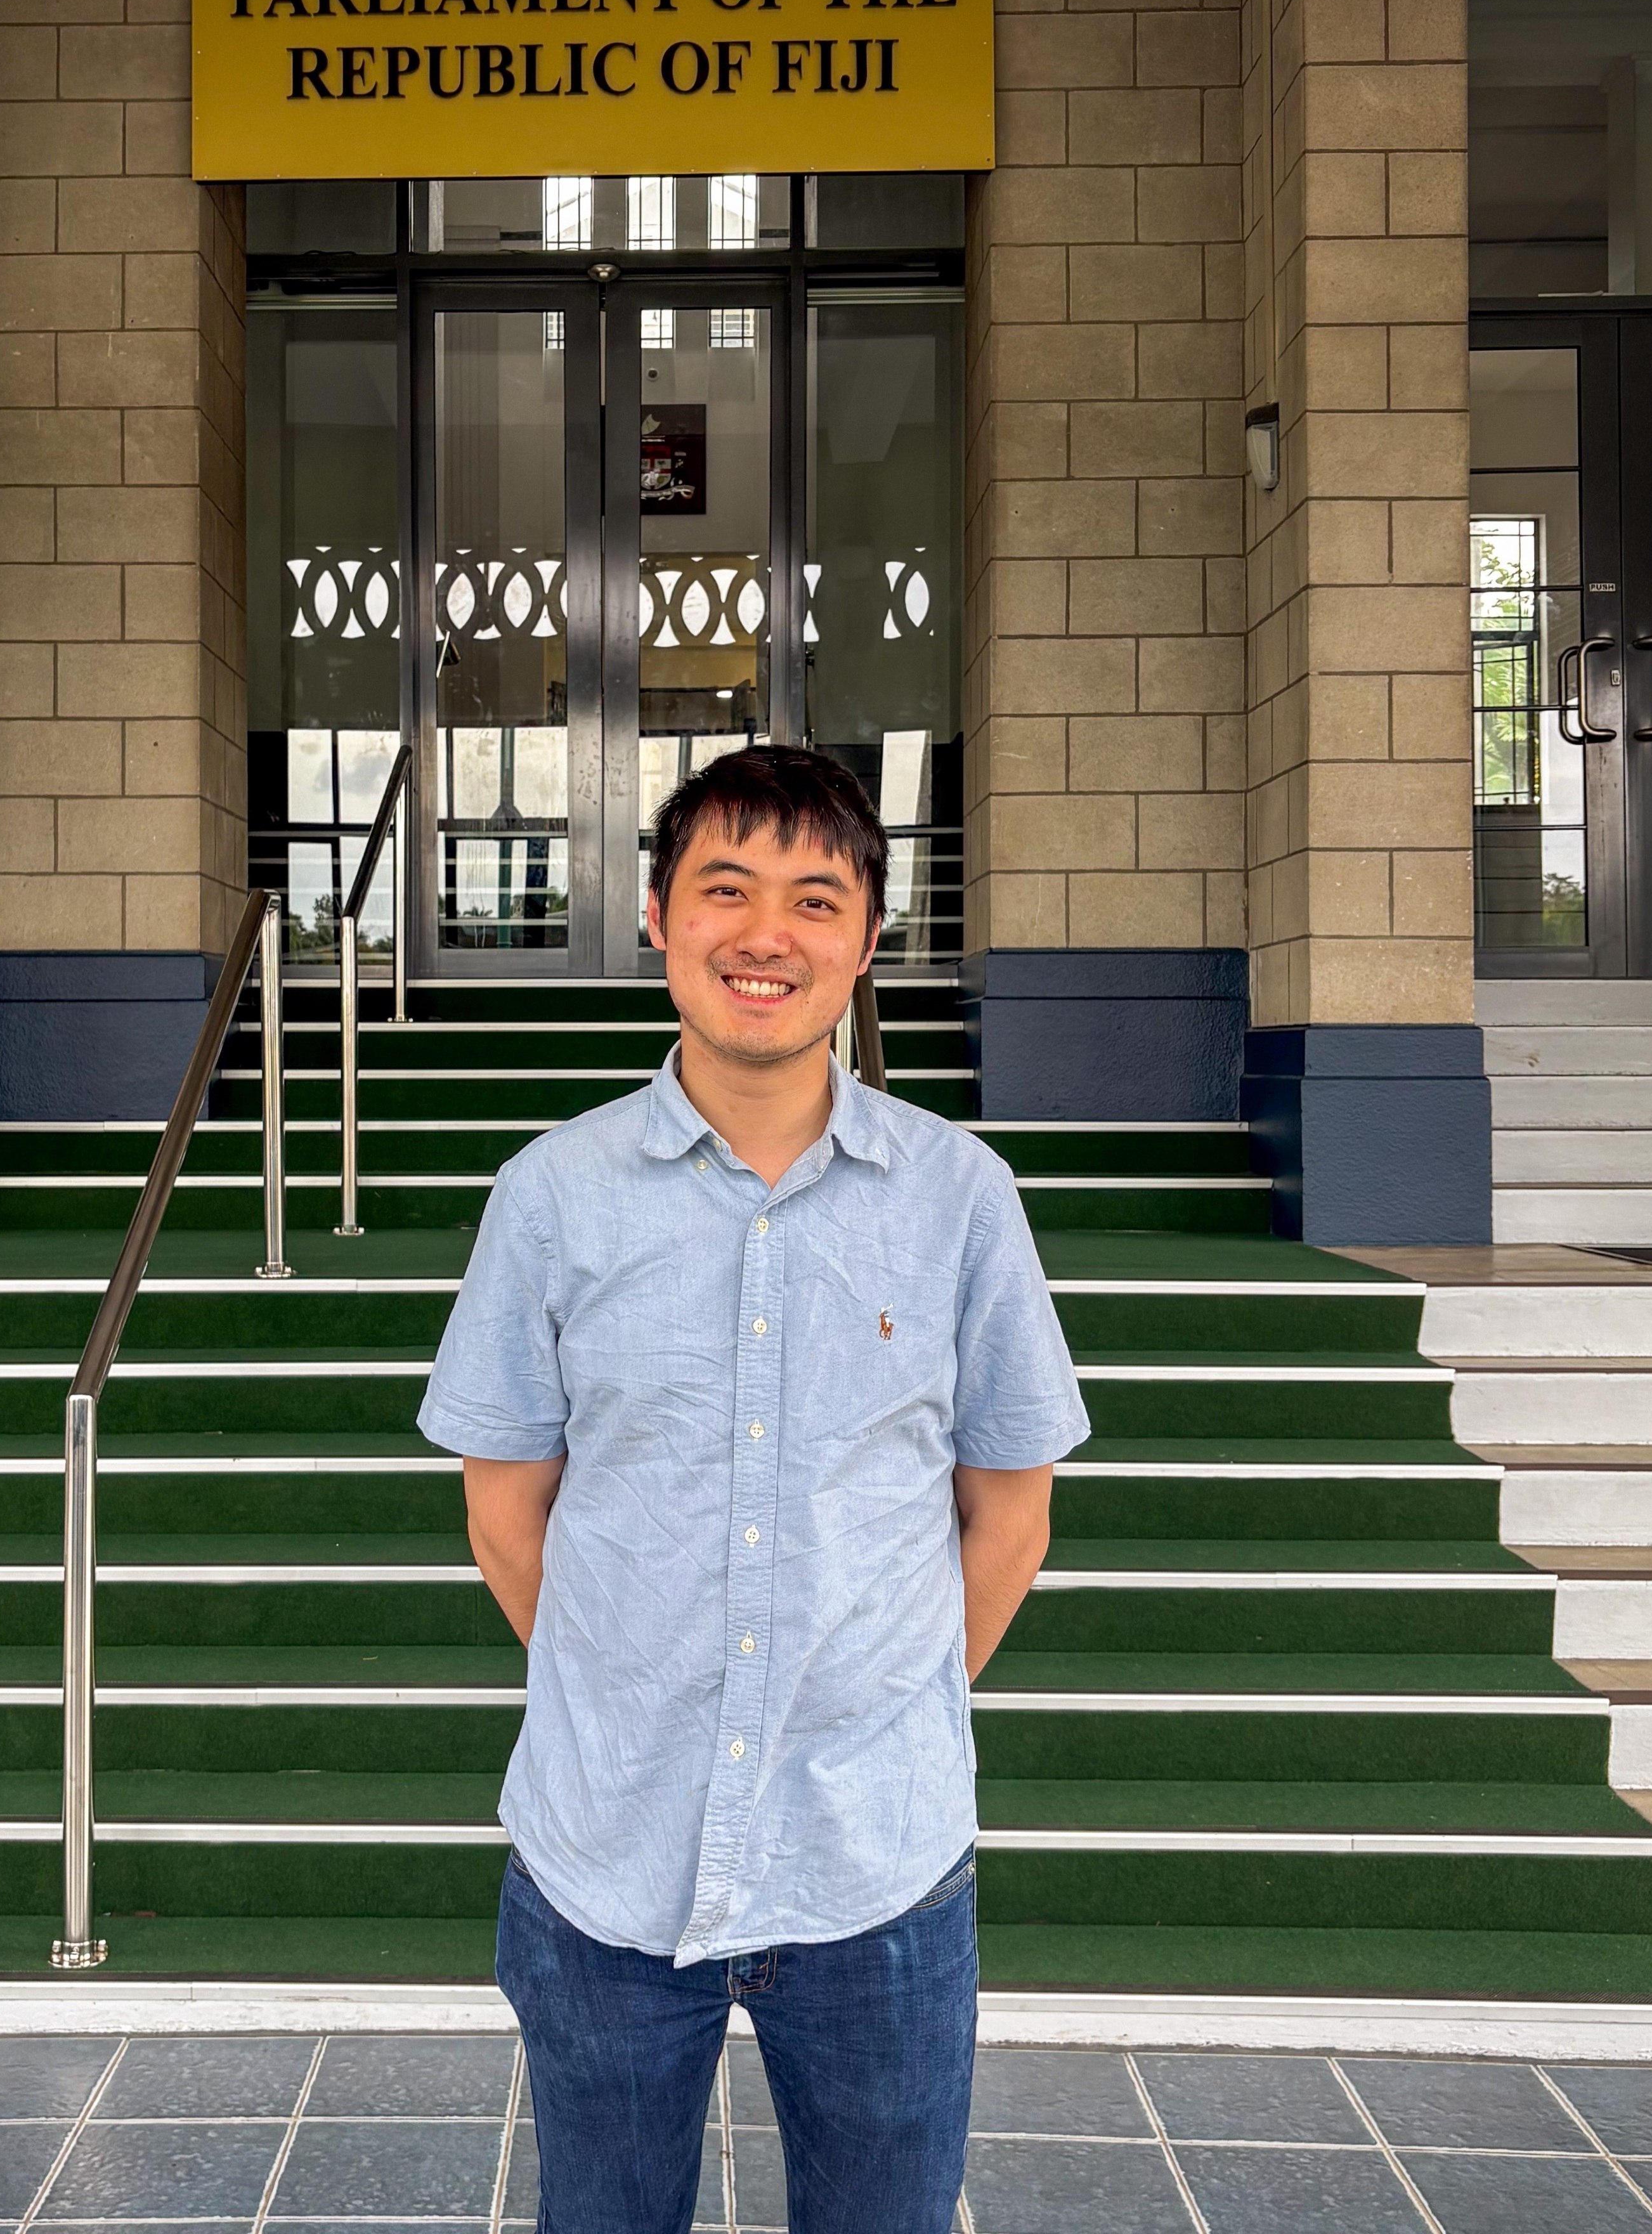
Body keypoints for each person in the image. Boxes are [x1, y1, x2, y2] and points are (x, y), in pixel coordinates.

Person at [419, 743, 1088, 2234]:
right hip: (606, 1859)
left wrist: (862, 1705)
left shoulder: (959, 1197)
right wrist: (643, 1693)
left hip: (876, 1868)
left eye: (813, 897)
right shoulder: (552, 1195)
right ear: (656, 915)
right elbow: (504, 1512)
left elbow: (1011, 1515)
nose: (764, 934)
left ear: (865, 939)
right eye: (723, 888)